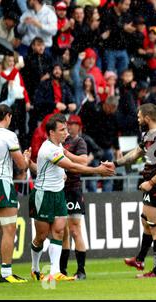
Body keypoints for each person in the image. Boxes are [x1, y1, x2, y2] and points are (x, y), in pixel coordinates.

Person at [25, 113, 114, 281]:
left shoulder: (58, 147)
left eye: (66, 128)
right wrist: (98, 171)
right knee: (41, 237)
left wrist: (34, 165)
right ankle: (35, 268)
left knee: (58, 231)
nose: (65, 132)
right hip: (43, 195)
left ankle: (55, 272)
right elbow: (72, 167)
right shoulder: (49, 148)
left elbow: (63, 166)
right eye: (62, 129)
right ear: (51, 132)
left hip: (59, 194)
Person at [112, 103, 156, 278]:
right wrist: (116, 163)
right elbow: (137, 153)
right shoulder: (149, 135)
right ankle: (140, 259)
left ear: (147, 118)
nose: (138, 120)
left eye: (140, 117)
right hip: (153, 185)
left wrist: (151, 182)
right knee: (146, 222)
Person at [0, 104, 28, 283]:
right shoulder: (8, 136)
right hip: (2, 182)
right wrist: (25, 157)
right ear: (8, 116)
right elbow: (22, 165)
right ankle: (6, 273)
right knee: (9, 228)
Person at [59, 115, 89, 280]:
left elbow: (83, 161)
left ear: (79, 126)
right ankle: (62, 271)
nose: (69, 127)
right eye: (67, 124)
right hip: (60, 189)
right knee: (62, 231)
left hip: (73, 189)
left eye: (73, 124)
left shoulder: (79, 142)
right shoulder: (59, 141)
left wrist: (65, 153)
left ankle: (81, 270)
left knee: (75, 229)